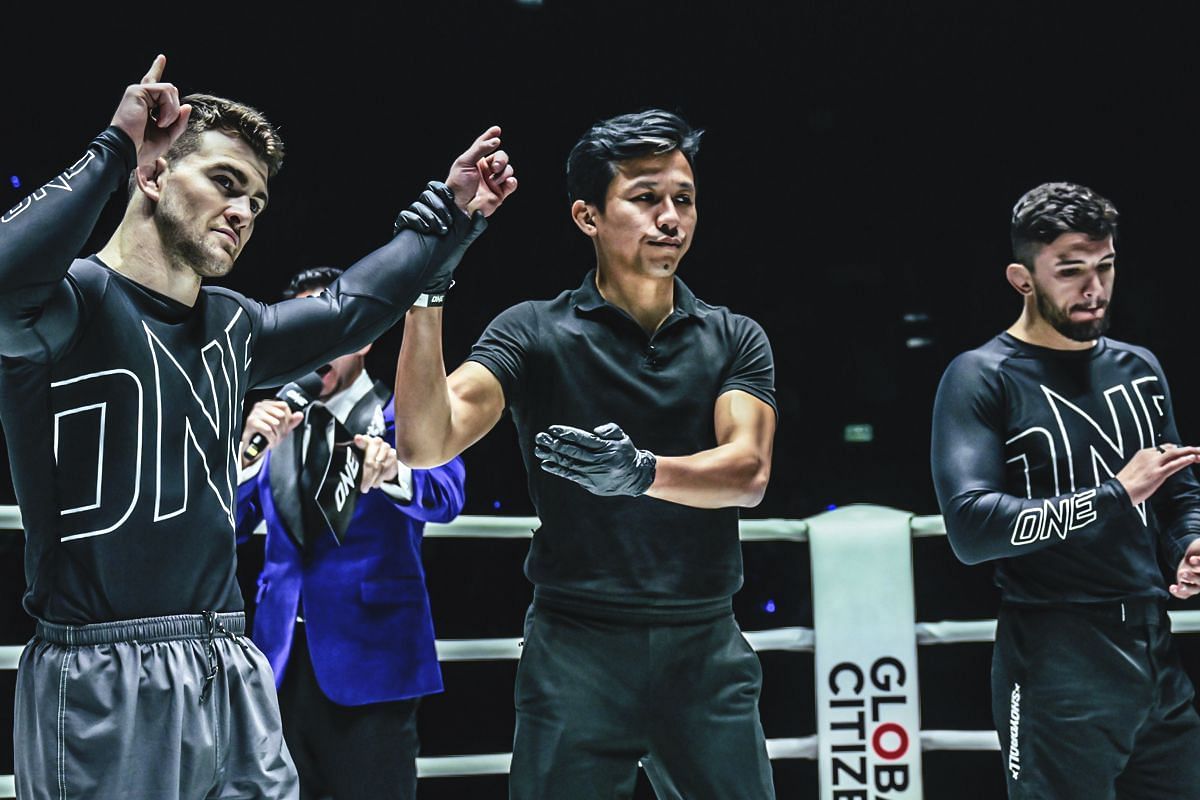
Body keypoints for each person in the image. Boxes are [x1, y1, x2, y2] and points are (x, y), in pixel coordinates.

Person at [0, 54, 516, 800]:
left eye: (257, 200)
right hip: (101, 671)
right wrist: (114, 146)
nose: (243, 211)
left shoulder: (233, 324)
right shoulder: (65, 304)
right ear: (153, 176)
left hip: (229, 660)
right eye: (224, 183)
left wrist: (450, 213)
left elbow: (350, 308)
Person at [392, 108, 777, 799]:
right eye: (645, 197)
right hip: (574, 651)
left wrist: (639, 473)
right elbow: (424, 443)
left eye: (683, 199)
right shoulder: (533, 333)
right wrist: (427, 282)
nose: (670, 217)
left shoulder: (734, 337)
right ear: (586, 216)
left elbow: (747, 472)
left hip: (704, 647)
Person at [930, 181, 1200, 799]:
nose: (1094, 289)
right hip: (1054, 658)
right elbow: (971, 529)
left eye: (1104, 266)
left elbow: (1178, 494)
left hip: (1156, 648)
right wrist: (1114, 494)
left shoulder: (1140, 367)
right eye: (1071, 271)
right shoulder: (981, 377)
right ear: (1023, 278)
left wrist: (1188, 544)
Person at [235, 266, 466, 800]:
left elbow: (448, 498)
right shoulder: (276, 422)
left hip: (373, 657)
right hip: (279, 657)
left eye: (328, 331)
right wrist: (244, 456)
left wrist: (392, 474)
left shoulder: (400, 412)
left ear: (360, 338)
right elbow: (232, 524)